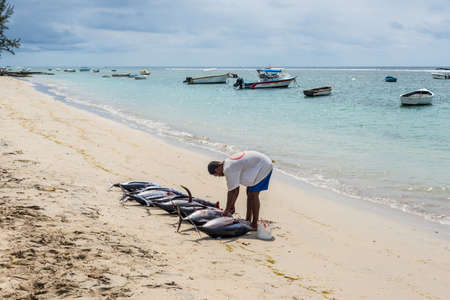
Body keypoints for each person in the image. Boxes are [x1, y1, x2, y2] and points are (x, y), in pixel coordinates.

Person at [207, 150, 273, 230]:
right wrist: (232, 205)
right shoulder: (228, 163)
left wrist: (227, 210)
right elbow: (236, 189)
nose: (219, 176)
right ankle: (248, 219)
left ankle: (254, 224)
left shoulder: (228, 168)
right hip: (261, 163)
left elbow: (233, 191)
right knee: (249, 191)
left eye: (217, 175)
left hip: (264, 166)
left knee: (253, 194)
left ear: (217, 169)